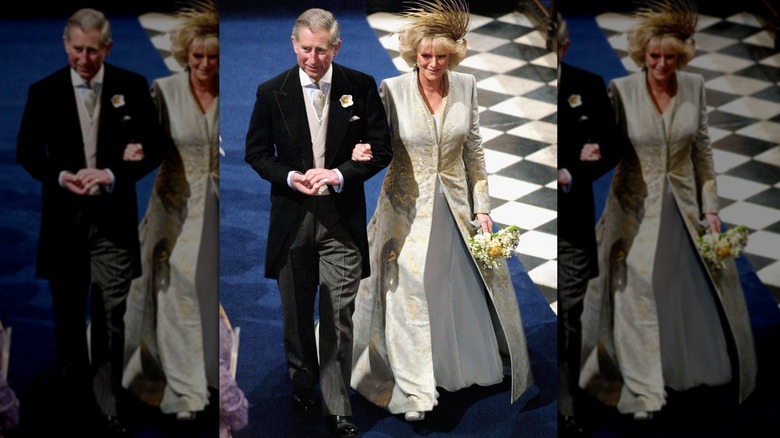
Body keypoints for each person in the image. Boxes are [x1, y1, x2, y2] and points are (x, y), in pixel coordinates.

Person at [348, 0, 533, 422]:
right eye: (425, 56)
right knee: (409, 289)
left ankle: (458, 364)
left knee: (451, 284)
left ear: (454, 55)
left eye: (441, 56)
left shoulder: (466, 85)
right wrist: (359, 151)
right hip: (404, 208)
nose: (432, 63)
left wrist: (483, 207)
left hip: (455, 206)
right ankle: (414, 391)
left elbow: (474, 150)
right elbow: (377, 143)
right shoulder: (392, 90)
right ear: (413, 54)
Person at [578, 0, 758, 421]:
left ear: (683, 57)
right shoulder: (621, 91)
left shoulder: (694, 86)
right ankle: (643, 389)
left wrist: (711, 207)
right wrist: (586, 151)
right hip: (633, 208)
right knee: (636, 291)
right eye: (654, 56)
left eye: (670, 57)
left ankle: (685, 366)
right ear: (642, 54)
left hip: (684, 208)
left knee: (682, 286)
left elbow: (702, 151)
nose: (661, 64)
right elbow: (605, 143)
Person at [15, 7, 165, 436]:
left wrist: (115, 173)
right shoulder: (42, 92)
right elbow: (28, 152)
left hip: (112, 227)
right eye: (77, 50)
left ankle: (107, 401)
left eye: (93, 51)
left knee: (110, 318)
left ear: (108, 47)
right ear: (66, 46)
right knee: (66, 316)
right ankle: (72, 397)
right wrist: (61, 176)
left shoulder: (131, 86)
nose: (84, 58)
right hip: (63, 228)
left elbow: (153, 148)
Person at [244, 7, 392, 437]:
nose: (313, 58)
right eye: (306, 49)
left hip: (341, 221)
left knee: (338, 313)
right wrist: (291, 177)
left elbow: (381, 149)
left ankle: (337, 403)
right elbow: (256, 153)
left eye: (321, 50)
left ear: (336, 47)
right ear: (294, 46)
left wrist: (342, 173)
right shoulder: (272, 92)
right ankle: (303, 380)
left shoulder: (359, 86)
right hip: (292, 220)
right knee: (295, 312)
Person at [121, 0, 219, 422]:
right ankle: (185, 390)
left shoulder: (231, 85)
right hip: (174, 206)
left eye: (213, 57)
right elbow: (140, 134)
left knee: (207, 292)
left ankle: (213, 373)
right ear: (184, 55)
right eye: (197, 56)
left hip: (216, 205)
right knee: (175, 288)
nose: (204, 63)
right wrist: (131, 149)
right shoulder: (164, 90)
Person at [556, 12, 621, 435]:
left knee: (569, 312)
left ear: (563, 46)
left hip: (573, 220)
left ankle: (568, 401)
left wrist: (574, 173)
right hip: (537, 223)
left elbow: (611, 146)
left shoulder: (588, 86)